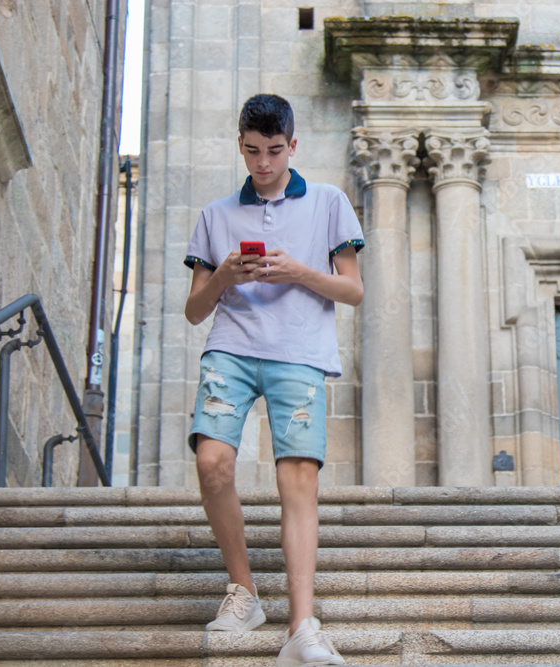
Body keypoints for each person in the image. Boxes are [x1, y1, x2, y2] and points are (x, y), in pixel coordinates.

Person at [183, 93, 363, 666]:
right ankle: (245, 591)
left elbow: (353, 290)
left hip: (299, 351)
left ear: (293, 145)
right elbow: (194, 310)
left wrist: (300, 272)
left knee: (298, 481)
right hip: (230, 348)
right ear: (240, 145)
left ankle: (302, 626)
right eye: (253, 151)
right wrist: (225, 276)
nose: (263, 163)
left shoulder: (330, 202)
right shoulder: (215, 215)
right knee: (212, 462)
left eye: (275, 151)